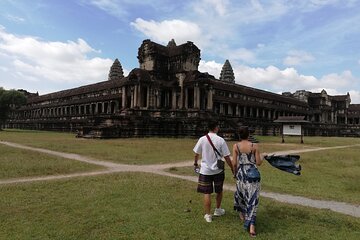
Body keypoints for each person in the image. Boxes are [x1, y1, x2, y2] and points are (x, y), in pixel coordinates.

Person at [193, 121, 234, 223]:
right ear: (216, 128)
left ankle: (208, 215)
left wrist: (195, 164)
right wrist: (233, 168)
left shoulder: (202, 139)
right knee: (219, 190)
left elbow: (196, 154)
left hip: (205, 170)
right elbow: (227, 157)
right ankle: (218, 209)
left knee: (207, 192)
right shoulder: (220, 140)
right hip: (218, 170)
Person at [232, 126, 262, 237]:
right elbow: (258, 162)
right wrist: (263, 157)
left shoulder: (236, 146)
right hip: (252, 173)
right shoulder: (254, 146)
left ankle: (243, 214)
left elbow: (234, 163)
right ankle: (252, 226)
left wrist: (235, 173)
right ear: (248, 135)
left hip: (241, 173)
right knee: (253, 198)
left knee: (242, 194)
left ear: (239, 135)